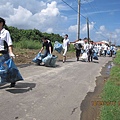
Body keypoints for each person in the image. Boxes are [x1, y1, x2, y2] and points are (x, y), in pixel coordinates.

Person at [0, 17, 23, 87]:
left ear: (1, 23)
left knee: (7, 68)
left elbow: (9, 44)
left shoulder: (5, 32)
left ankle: (13, 80)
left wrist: (11, 52)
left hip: (4, 54)